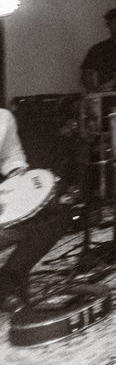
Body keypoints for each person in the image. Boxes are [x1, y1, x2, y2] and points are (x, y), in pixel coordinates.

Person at [0, 108, 73, 313]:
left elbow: (10, 155)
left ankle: (8, 281)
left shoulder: (3, 118)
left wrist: (17, 172)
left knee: (58, 216)